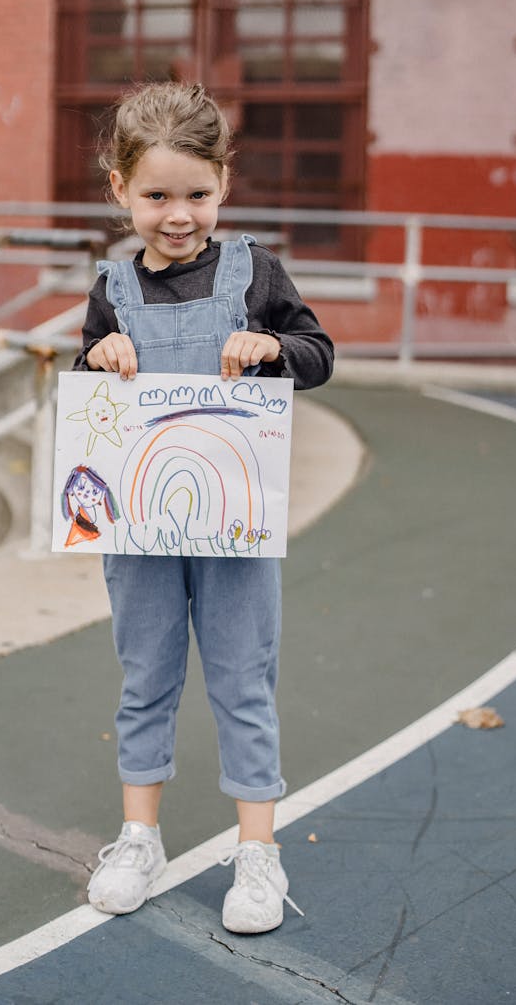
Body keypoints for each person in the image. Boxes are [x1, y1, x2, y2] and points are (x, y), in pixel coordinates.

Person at [73, 81, 334, 934]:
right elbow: (88, 392)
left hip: (235, 522)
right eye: (155, 195)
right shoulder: (111, 289)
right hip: (141, 528)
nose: (177, 214)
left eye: (196, 194)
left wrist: (273, 345)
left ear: (224, 183)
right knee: (144, 677)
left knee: (242, 680)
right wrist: (98, 356)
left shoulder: (255, 271)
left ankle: (257, 851)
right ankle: (138, 836)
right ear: (119, 189)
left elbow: (318, 353)